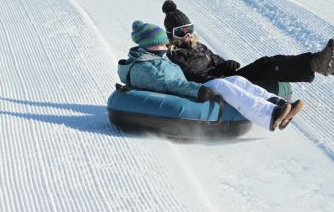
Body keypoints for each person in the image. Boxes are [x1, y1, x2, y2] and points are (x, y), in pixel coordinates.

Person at [119, 21, 304, 131]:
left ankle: (279, 105)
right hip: (185, 92)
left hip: (188, 88)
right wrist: (198, 89)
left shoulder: (153, 59)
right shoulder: (143, 67)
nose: (163, 48)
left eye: (162, 44)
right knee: (223, 86)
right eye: (158, 45)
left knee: (237, 80)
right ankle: (270, 116)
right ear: (146, 46)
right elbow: (168, 84)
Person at [161, 0, 334, 88]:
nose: (186, 35)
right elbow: (184, 79)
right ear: (171, 35)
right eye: (180, 32)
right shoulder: (171, 56)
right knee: (259, 70)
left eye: (188, 29)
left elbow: (217, 61)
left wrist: (226, 65)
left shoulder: (199, 47)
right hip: (214, 87)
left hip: (226, 80)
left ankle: (316, 62)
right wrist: (214, 77)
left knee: (267, 62)